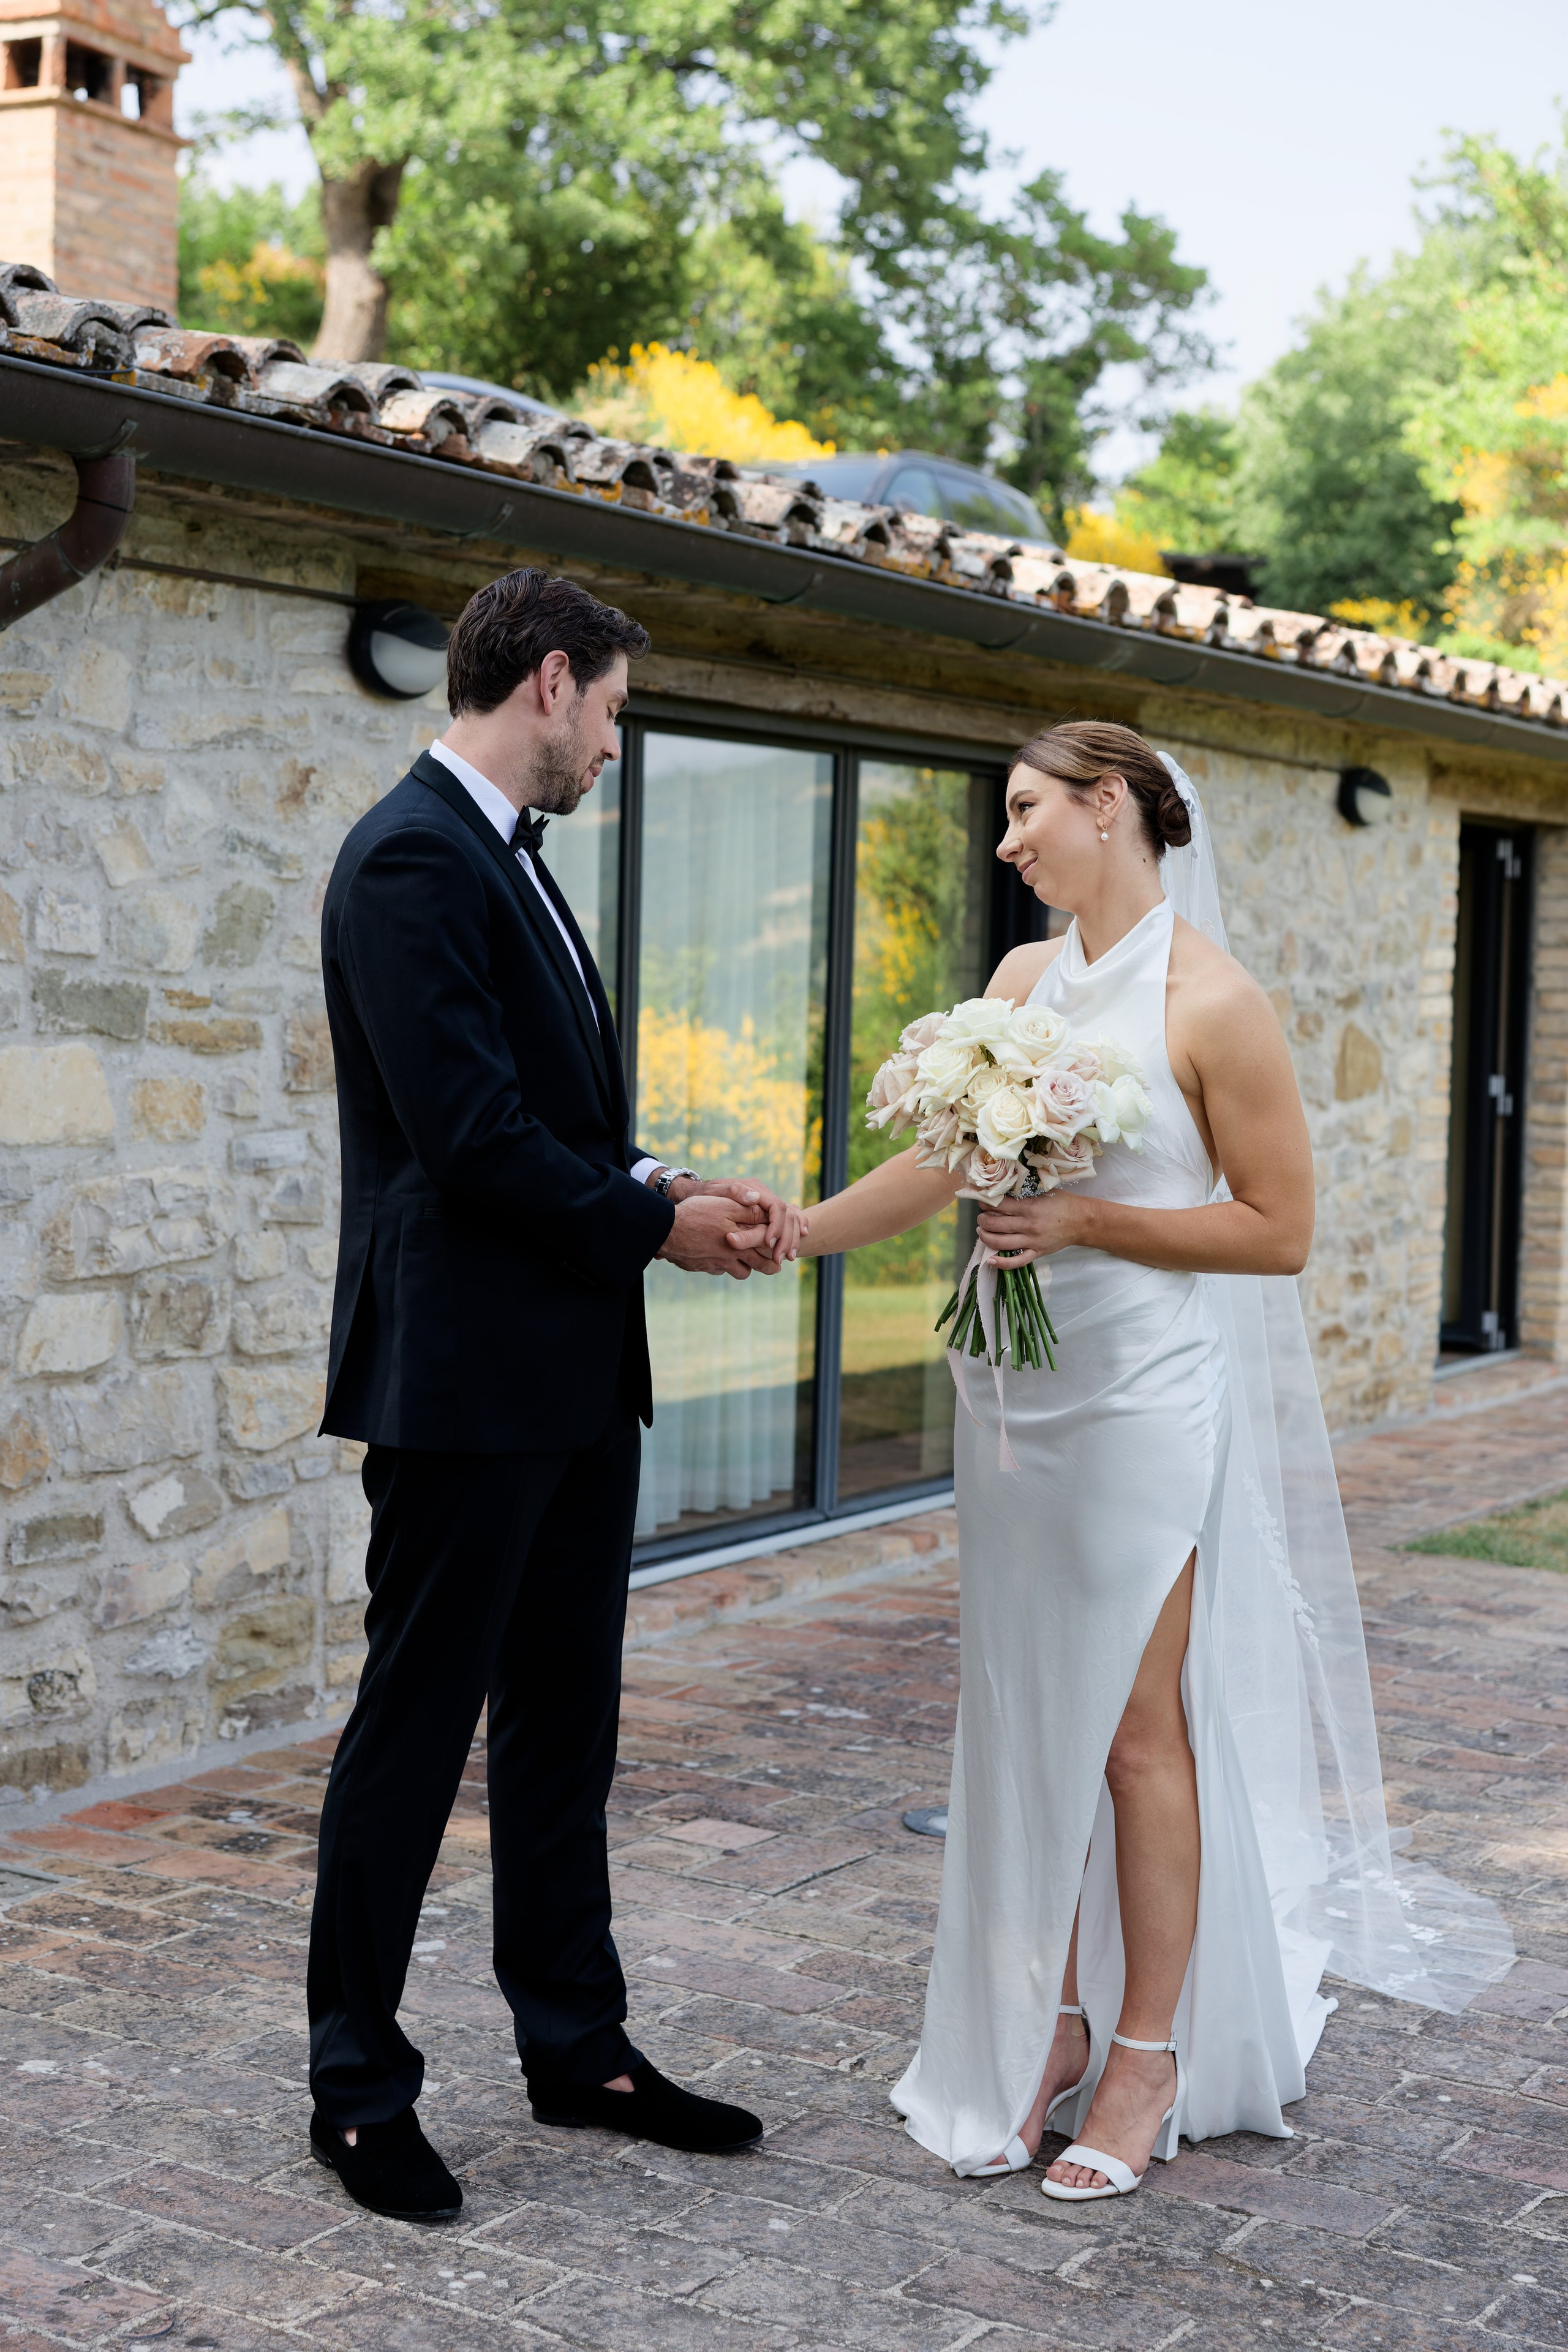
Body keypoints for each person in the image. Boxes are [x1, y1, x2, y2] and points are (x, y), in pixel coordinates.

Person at [801, 720, 1512, 2198]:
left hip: (1137, 1403)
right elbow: (944, 1163)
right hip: (1010, 1401)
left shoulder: (1215, 1003)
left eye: (1022, 812)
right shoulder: (1014, 987)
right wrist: (792, 1235)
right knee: (1018, 1716)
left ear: (1105, 805)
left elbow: (1277, 1231)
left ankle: (1143, 2055)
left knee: (1130, 1729)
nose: (1004, 842)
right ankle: (1035, 2034)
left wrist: (1087, 1223)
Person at [306, 568, 805, 2221]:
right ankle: (359, 2090)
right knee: (410, 1732)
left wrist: (664, 1180)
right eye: (612, 709)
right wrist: (651, 1226)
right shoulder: (405, 858)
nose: (614, 743)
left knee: (563, 1731)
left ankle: (577, 2046)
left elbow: (552, 1121)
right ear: (547, 683)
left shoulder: (510, 865)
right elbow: (465, 1138)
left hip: (577, 1376)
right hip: (459, 1381)